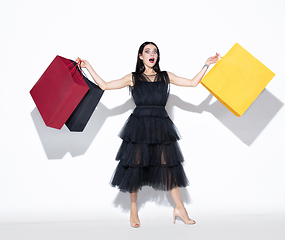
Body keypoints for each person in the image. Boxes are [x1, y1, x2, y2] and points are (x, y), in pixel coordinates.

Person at [77, 42, 219, 228]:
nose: (152, 54)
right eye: (147, 51)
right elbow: (104, 85)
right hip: (139, 127)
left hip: (161, 127)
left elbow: (193, 83)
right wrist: (88, 67)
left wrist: (206, 64)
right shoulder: (133, 78)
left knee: (168, 166)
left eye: (155, 51)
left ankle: (180, 209)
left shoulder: (165, 76)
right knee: (134, 166)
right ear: (140, 56)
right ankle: (133, 210)